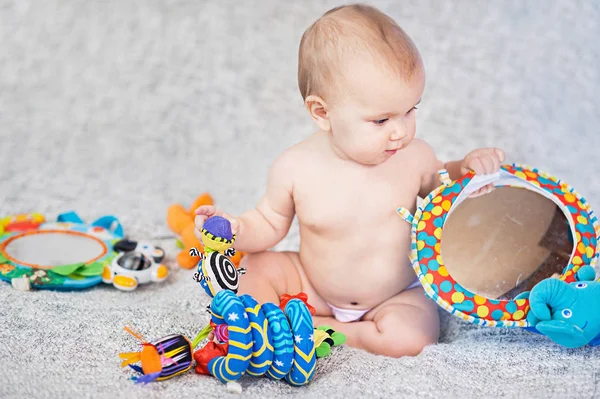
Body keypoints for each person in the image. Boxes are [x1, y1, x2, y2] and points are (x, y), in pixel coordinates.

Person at [195, 3, 505, 357]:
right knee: (257, 268)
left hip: (395, 293)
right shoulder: (295, 167)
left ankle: (322, 330)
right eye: (380, 120)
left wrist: (467, 169)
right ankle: (276, 321)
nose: (401, 131)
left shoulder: (415, 157)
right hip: (311, 285)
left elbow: (445, 187)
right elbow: (268, 223)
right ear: (322, 113)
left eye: (410, 110)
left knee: (414, 337)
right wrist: (233, 229)